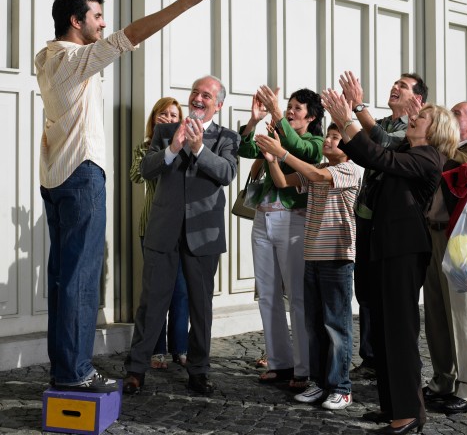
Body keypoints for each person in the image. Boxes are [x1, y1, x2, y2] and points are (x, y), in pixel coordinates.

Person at [35, 0, 220, 393]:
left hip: (55, 179)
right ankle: (76, 373)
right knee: (81, 281)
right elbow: (130, 35)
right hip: (81, 175)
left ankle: (65, 369)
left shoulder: (46, 57)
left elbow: (95, 39)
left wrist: (74, 2)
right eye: (96, 16)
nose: (103, 23)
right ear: (75, 22)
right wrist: (183, 4)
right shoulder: (74, 60)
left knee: (65, 280)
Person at [322, 89, 459, 434]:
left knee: (399, 333)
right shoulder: (408, 148)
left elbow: (376, 157)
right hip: (383, 247)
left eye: (421, 117)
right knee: (383, 332)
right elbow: (378, 145)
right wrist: (355, 113)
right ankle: (392, 407)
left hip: (404, 251)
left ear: (437, 129)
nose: (413, 118)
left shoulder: (430, 157)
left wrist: (346, 120)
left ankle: (409, 414)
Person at [123, 75, 240, 395]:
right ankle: (136, 369)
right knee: (151, 303)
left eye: (206, 95)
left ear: (218, 105)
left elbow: (227, 173)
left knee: (200, 307)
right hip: (163, 231)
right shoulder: (163, 132)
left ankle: (199, 370)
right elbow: (145, 170)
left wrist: (199, 147)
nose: (198, 99)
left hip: (204, 236)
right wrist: (174, 147)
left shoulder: (227, 138)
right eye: (194, 93)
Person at [255, 123, 361, 410]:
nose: (328, 140)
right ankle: (318, 382)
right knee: (313, 324)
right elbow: (282, 183)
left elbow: (315, 175)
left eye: (336, 137)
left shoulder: (351, 169)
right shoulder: (322, 167)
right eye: (327, 134)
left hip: (338, 255)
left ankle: (341, 387)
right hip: (312, 254)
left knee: (336, 326)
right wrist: (272, 160)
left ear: (350, 145)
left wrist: (283, 151)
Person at [338, 71, 428, 380]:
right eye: (395, 83)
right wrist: (347, 117)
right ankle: (371, 356)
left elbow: (383, 147)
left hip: (392, 223)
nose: (394, 87)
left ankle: (394, 360)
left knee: (389, 294)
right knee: (365, 290)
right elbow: (366, 147)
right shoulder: (385, 122)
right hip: (366, 214)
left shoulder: (414, 132)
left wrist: (356, 108)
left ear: (417, 99)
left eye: (402, 86)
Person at [238, 86, 324, 390]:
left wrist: (277, 120)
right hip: (262, 218)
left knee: (297, 298)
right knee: (268, 296)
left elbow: (301, 150)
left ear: (311, 117)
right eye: (288, 105)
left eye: (297, 108)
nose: (289, 110)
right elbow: (245, 149)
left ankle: (304, 369)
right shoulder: (276, 130)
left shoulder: (316, 141)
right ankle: (279, 363)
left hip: (293, 222)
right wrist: (252, 121)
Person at [423, 101, 467, 414]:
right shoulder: (442, 145)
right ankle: (444, 379)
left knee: (460, 315)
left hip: (457, 237)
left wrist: (440, 141)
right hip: (432, 233)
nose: (450, 117)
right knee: (434, 312)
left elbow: (456, 164)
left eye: (456, 114)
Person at [130, 97, 189, 369]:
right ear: (153, 118)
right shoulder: (144, 149)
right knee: (156, 292)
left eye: (173, 114)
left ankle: (181, 348)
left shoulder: (189, 148)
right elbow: (137, 176)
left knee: (181, 290)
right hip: (152, 226)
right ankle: (157, 350)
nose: (167, 118)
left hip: (182, 228)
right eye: (162, 114)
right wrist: (159, 143)